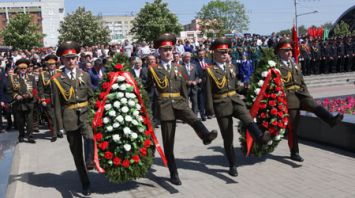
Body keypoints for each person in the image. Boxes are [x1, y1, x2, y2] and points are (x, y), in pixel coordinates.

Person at [147, 33, 218, 185]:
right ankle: (174, 173)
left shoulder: (179, 68)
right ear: (159, 52)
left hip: (179, 102)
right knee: (168, 142)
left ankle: (205, 135)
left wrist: (186, 102)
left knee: (193, 117)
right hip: (165, 105)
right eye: (164, 50)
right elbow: (147, 90)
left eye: (170, 49)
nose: (167, 52)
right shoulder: (153, 69)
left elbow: (184, 88)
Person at [205, 37, 271, 177]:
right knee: (228, 136)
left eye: (226, 52)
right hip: (221, 105)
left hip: (235, 100)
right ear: (214, 53)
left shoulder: (231, 67)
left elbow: (235, 87)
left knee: (247, 118)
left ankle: (260, 138)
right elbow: (207, 92)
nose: (224, 54)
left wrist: (247, 89)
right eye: (221, 52)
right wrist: (210, 109)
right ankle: (232, 165)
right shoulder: (209, 71)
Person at [276, 38, 344, 162]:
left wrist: (307, 93)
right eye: (286, 50)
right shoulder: (276, 67)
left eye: (290, 50)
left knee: (314, 105)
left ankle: (331, 120)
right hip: (289, 96)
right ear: (279, 52)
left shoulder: (295, 64)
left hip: (301, 93)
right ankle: (294, 152)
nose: (289, 52)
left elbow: (302, 81)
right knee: (293, 126)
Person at [52, 41, 94, 196]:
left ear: (77, 59)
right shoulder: (57, 79)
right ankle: (85, 182)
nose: (71, 61)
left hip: (85, 113)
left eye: (73, 58)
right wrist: (59, 127)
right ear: (62, 60)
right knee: (76, 153)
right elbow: (56, 105)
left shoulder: (85, 75)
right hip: (69, 117)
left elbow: (91, 96)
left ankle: (90, 160)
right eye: (67, 59)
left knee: (90, 137)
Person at [7, 58, 37, 143]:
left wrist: (30, 95)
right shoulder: (12, 78)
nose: (23, 70)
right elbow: (9, 90)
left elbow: (35, 89)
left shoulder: (31, 77)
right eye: (21, 68)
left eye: (24, 68)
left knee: (30, 121)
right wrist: (16, 96)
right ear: (18, 69)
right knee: (20, 121)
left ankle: (30, 136)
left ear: (27, 69)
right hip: (18, 103)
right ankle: (21, 135)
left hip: (28, 102)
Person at [38, 54, 63, 142]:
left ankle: (60, 130)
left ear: (55, 64)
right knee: (51, 117)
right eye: (49, 64)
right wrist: (42, 99)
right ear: (47, 65)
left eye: (53, 64)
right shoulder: (43, 74)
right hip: (48, 98)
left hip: (59, 98)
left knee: (59, 115)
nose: (51, 66)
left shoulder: (60, 73)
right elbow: (40, 88)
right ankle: (54, 134)